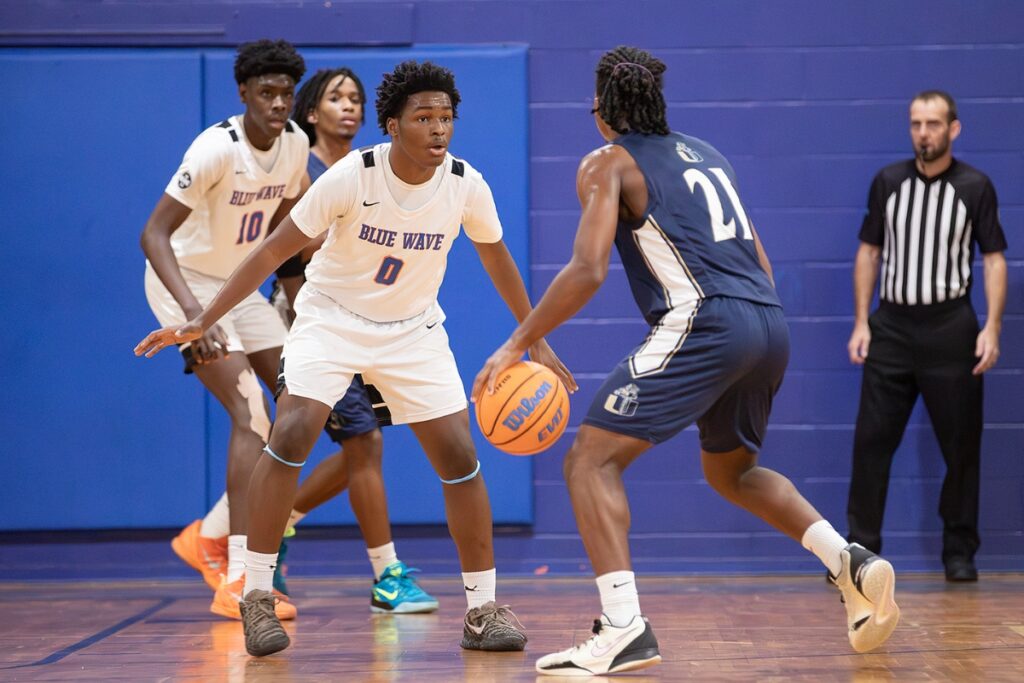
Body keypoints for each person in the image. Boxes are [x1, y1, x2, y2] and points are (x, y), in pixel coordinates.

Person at [473, 46, 901, 677]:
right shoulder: (711, 157)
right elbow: (760, 259)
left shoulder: (605, 162)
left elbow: (588, 269)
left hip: (707, 319)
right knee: (733, 474)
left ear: (601, 112)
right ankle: (851, 564)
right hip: (767, 319)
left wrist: (517, 341)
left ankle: (623, 628)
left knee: (589, 459)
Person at [136, 59, 575, 658]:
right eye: (423, 117)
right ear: (393, 125)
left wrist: (533, 337)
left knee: (460, 456)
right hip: (331, 318)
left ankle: (482, 609)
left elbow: (498, 259)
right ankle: (257, 596)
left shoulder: (467, 184)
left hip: (413, 330)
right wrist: (203, 318)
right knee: (289, 431)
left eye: (446, 117)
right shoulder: (350, 177)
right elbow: (271, 253)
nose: (438, 129)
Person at [141, 38, 308, 622]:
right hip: (183, 286)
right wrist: (194, 317)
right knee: (253, 415)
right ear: (244, 92)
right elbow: (154, 235)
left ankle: (209, 536)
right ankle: (239, 577)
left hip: (237, 288)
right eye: (267, 92)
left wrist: (306, 312)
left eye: (287, 92)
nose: (278, 102)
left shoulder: (295, 147)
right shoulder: (215, 149)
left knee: (302, 402)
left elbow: (287, 244)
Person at [270, 66, 438, 613]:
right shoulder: (303, 172)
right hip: (314, 324)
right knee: (362, 444)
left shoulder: (378, 170)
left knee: (361, 449)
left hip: (370, 325)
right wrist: (315, 331)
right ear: (311, 112)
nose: (349, 105)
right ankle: (386, 575)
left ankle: (275, 525)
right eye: (336, 97)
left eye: (356, 98)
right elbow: (288, 262)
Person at [845, 90, 1007, 583]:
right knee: (870, 444)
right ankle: (860, 555)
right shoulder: (889, 182)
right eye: (916, 123)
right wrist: (861, 321)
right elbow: (869, 252)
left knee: (961, 448)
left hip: (950, 328)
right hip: (892, 326)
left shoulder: (976, 186)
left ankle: (960, 553)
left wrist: (992, 326)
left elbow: (994, 258)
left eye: (934, 123)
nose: (923, 132)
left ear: (953, 129)